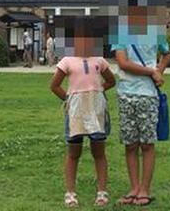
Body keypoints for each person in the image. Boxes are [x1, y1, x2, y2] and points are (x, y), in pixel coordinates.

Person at [112, 0, 170, 207]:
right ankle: (134, 188)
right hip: (126, 92)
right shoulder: (120, 32)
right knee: (130, 144)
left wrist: (159, 72)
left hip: (147, 95)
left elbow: (167, 54)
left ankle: (144, 189)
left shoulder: (156, 30)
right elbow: (123, 63)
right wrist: (153, 72)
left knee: (147, 143)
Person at [50, 17, 116, 208]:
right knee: (73, 153)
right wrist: (69, 100)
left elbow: (111, 81)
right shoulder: (67, 61)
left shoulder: (99, 60)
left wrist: (98, 92)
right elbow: (54, 86)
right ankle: (70, 192)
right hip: (76, 111)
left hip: (96, 110)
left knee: (99, 152)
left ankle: (102, 192)